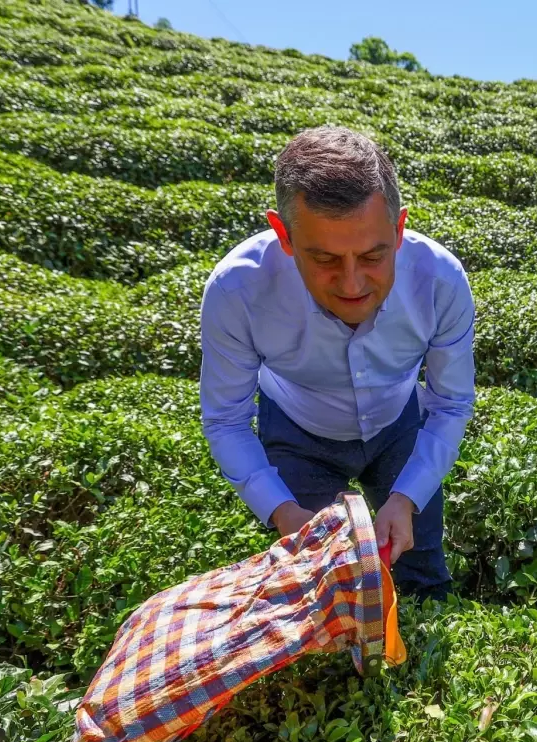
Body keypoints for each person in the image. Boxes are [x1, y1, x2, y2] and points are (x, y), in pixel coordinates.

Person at [198, 125, 476, 601]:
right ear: (283, 234)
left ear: (399, 227)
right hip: (298, 429)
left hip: (397, 424)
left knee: (421, 570)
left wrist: (406, 498)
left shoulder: (440, 280)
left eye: (373, 255)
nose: (351, 283)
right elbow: (226, 419)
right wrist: (283, 512)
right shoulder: (237, 289)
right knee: (322, 591)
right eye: (323, 258)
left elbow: (451, 403)